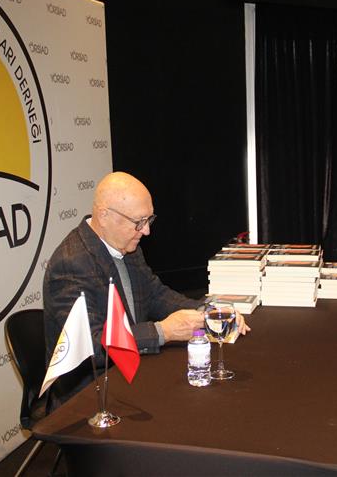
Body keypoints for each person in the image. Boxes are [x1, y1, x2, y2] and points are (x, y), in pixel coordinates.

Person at [43, 171, 250, 410]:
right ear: (104, 216)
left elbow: (155, 294)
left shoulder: (126, 244)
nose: (146, 231)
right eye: (138, 222)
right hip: (89, 395)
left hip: (131, 374)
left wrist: (208, 312)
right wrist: (163, 331)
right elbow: (89, 346)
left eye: (149, 220)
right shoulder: (70, 264)